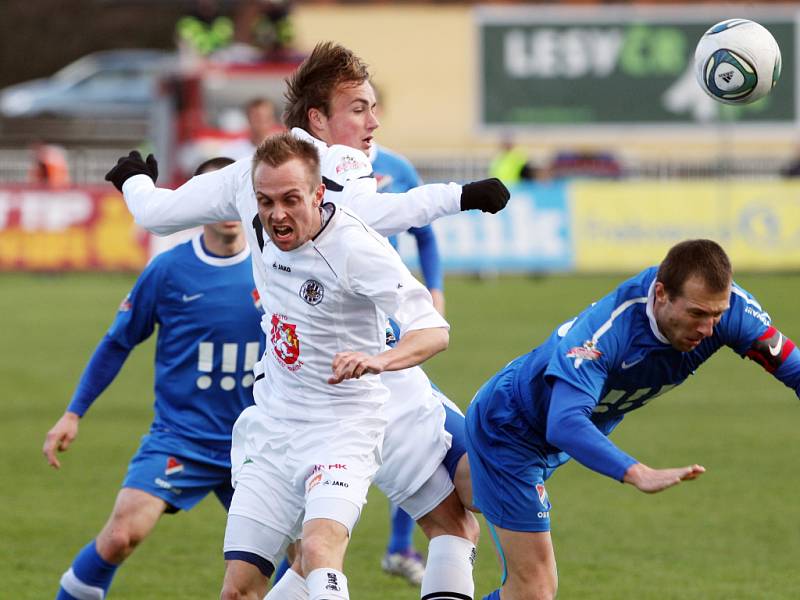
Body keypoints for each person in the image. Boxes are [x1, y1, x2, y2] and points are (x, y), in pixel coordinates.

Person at [106, 41, 507, 598]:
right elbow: (373, 217)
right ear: (318, 121)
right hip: (358, 389)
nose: (374, 121)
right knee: (466, 507)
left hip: (337, 382)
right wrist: (459, 194)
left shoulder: (250, 172)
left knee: (332, 550)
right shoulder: (334, 168)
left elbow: (156, 213)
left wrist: (133, 180)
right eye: (360, 109)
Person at [465, 238, 800, 600]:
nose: (708, 328)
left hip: (553, 436)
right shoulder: (606, 333)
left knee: (451, 510)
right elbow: (564, 423)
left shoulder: (731, 313)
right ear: (660, 294)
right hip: (511, 428)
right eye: (698, 314)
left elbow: (793, 369)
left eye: (716, 315)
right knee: (534, 591)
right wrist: (636, 472)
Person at [221, 132, 450, 598]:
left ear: (319, 193)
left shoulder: (354, 246)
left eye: (290, 199)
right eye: (266, 201)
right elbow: (165, 212)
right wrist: (136, 185)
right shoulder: (260, 224)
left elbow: (433, 331)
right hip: (275, 426)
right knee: (239, 589)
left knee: (320, 546)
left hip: (342, 428)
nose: (276, 214)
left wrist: (379, 360)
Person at [45, 157, 262, 600]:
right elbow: (117, 342)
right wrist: (73, 413)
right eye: (212, 194)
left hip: (258, 444)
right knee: (121, 535)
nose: (223, 204)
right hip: (181, 438)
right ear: (195, 202)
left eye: (232, 193)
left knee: (295, 559)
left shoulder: (275, 267)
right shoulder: (168, 271)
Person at [369, 140, 445, 583]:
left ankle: (400, 546)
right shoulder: (311, 166)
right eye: (357, 108)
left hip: (391, 313)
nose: (368, 120)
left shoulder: (397, 167)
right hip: (329, 317)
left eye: (370, 107)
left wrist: (435, 290)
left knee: (413, 426)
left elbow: (425, 233)